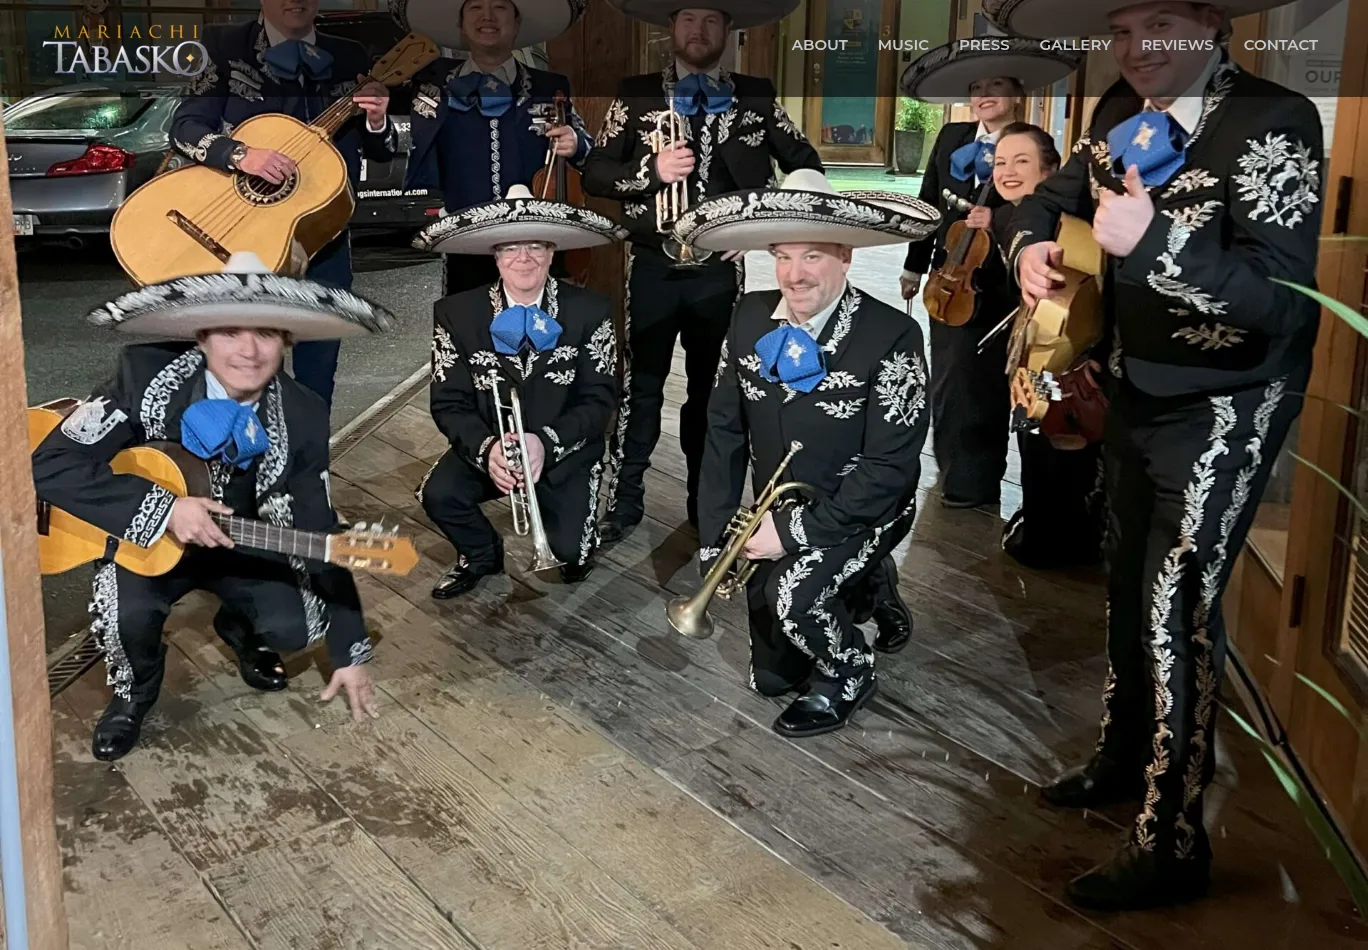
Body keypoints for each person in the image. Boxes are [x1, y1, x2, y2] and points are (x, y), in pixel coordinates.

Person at [1000, 0, 1324, 910]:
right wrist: (1028, 248)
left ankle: (1173, 835)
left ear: (1211, 24)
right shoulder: (1115, 109)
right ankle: (1121, 756)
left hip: (1227, 400)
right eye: (1123, 28)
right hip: (1130, 386)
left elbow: (1283, 300)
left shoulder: (1273, 118)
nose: (1137, 48)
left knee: (1175, 604)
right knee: (1125, 580)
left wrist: (1157, 242)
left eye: (1161, 24)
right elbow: (1050, 199)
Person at [32, 252, 395, 761]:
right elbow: (49, 464)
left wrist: (348, 649)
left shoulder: (304, 413)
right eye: (229, 332)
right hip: (146, 540)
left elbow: (317, 524)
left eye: (266, 333)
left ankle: (237, 628)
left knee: (297, 627)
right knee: (127, 618)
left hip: (241, 542)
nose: (248, 351)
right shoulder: (144, 376)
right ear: (201, 337)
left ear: (287, 341)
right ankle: (134, 694)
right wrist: (164, 509)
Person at [678, 168, 940, 737]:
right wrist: (715, 532)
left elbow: (890, 469)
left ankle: (850, 670)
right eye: (783, 256)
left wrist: (795, 534)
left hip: (865, 507)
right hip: (777, 507)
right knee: (771, 680)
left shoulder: (892, 335)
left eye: (813, 256)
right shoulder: (748, 316)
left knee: (793, 599)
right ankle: (868, 582)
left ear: (845, 257)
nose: (795, 275)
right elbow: (722, 432)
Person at [582, 0, 823, 545]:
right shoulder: (637, 92)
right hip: (651, 266)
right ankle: (624, 501)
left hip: (719, 273)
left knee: (712, 392)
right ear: (672, 27)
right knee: (640, 388)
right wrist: (652, 169)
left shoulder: (755, 95)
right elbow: (596, 173)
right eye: (689, 18)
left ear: (728, 29)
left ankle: (705, 505)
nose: (699, 29)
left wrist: (757, 230)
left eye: (711, 19)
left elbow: (807, 165)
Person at [169, 0, 397, 412]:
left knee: (318, 372)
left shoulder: (349, 55)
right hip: (245, 234)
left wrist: (377, 120)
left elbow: (380, 150)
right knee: (242, 363)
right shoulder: (223, 44)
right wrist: (241, 155)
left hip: (322, 236)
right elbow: (185, 127)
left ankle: (310, 452)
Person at [900, 39, 1082, 511]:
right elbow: (928, 201)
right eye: (976, 87)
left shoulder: (1034, 147)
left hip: (1005, 282)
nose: (984, 95)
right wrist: (915, 264)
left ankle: (986, 481)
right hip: (953, 277)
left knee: (991, 385)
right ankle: (957, 475)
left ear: (1017, 93)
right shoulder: (952, 137)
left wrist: (999, 221)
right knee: (951, 380)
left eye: (996, 85)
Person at [415, 185, 623, 598]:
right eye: (510, 248)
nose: (523, 258)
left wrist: (545, 443)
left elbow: (600, 400)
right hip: (497, 450)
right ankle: (481, 554)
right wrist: (488, 449)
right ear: (495, 255)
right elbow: (449, 402)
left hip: (563, 451)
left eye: (535, 246)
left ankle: (564, 521)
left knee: (572, 557)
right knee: (438, 494)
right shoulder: (455, 313)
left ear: (552, 252)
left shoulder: (591, 310)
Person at [393, 0, 592, 297]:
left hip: (534, 242)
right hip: (465, 241)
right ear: (461, 24)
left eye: (499, 7)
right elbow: (389, 141)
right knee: (468, 322)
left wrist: (575, 143)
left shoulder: (550, 87)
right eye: (475, 7)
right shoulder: (432, 86)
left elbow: (588, 150)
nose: (487, 17)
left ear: (517, 22)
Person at [989, 123, 1106, 569]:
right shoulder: (1006, 217)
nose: (1008, 171)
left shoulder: (1073, 224)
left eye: (1022, 161)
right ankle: (1037, 522)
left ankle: (1061, 536)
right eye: (1000, 162)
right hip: (1035, 348)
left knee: (1063, 448)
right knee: (1032, 436)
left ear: (1052, 172)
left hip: (1074, 354)